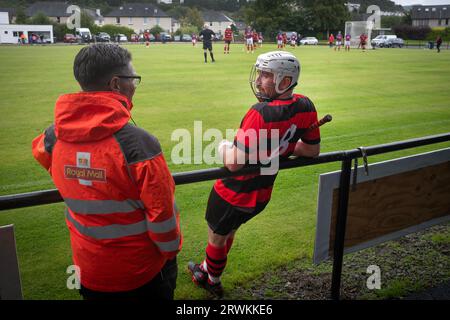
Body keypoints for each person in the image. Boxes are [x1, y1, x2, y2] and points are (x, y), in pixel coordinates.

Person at [32, 43, 182, 300]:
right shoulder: (139, 145)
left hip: (87, 270)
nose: (135, 85)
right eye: (133, 78)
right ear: (115, 84)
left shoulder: (52, 136)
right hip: (141, 275)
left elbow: (43, 156)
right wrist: (169, 255)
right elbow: (162, 219)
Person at [187, 51, 321, 298]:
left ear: (285, 80)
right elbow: (312, 150)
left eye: (266, 75)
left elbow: (234, 163)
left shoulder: (260, 112)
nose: (259, 80)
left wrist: (223, 147)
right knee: (229, 232)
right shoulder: (306, 105)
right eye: (259, 73)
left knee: (217, 238)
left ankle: (212, 280)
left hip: (233, 193)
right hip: (262, 195)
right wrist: (285, 146)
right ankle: (207, 269)